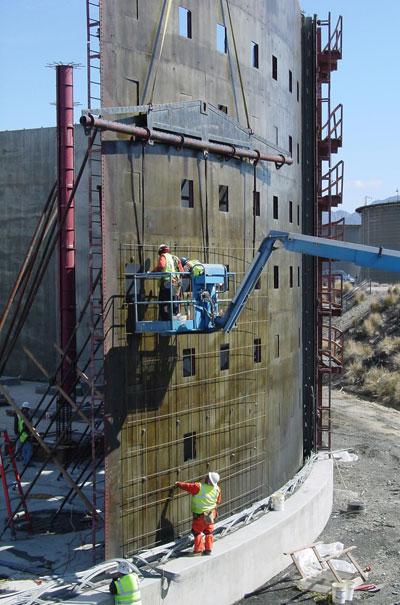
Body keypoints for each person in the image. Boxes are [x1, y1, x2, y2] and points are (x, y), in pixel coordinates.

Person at [175, 471, 221, 555]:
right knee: (209, 531)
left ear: (209, 480)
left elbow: (187, 486)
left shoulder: (199, 487)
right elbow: (217, 501)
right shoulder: (217, 489)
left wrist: (178, 484)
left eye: (207, 476)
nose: (205, 477)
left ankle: (199, 549)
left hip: (200, 515)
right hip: (211, 513)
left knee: (197, 531)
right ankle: (208, 549)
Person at [153, 244, 183, 320]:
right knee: (174, 299)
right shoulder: (175, 258)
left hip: (166, 282)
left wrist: (152, 272)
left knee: (163, 302)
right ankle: (175, 315)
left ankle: (165, 318)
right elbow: (182, 271)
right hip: (175, 282)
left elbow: (161, 266)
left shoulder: (163, 256)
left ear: (160, 251)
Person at [14, 402, 33, 466]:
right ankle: (27, 462)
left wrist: (16, 432)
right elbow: (27, 427)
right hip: (25, 435)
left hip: (21, 434)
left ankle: (23, 461)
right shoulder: (27, 416)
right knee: (28, 449)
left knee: (23, 448)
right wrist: (30, 434)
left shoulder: (19, 415)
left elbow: (17, 424)